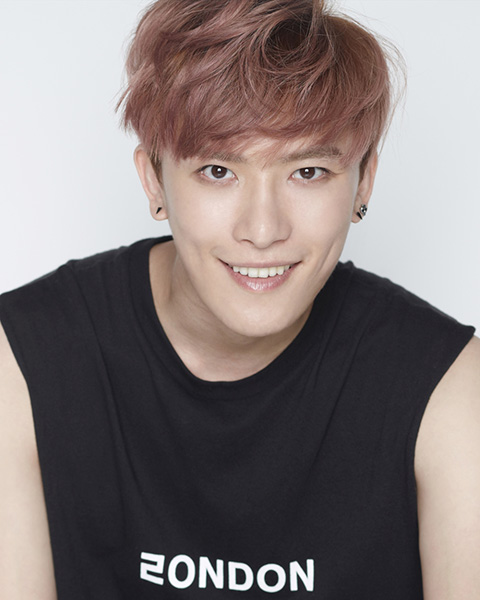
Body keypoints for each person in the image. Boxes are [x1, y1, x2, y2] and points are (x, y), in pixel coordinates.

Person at [0, 0, 479, 598]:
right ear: (153, 179)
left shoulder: (448, 386)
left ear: (365, 180)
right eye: (218, 171)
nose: (262, 228)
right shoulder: (23, 361)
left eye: (308, 171)